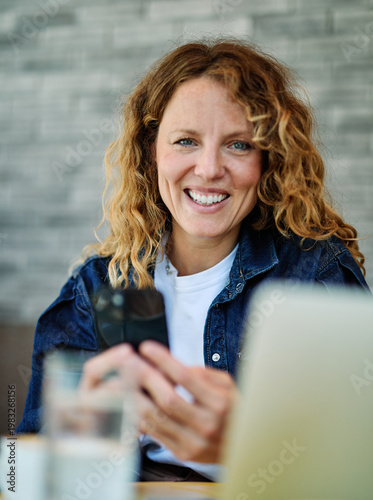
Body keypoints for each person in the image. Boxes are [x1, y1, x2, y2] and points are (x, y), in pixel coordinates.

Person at [17, 38, 370, 481]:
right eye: (186, 140)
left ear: (268, 160)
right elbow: (23, 469)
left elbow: (356, 467)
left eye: (238, 145)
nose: (208, 168)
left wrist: (250, 444)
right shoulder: (98, 287)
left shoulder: (314, 273)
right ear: (152, 154)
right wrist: (85, 433)